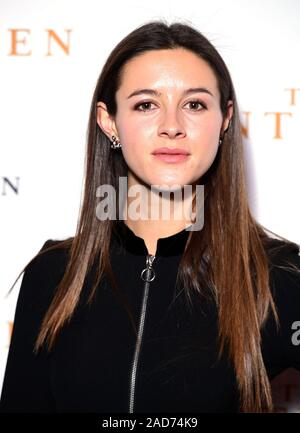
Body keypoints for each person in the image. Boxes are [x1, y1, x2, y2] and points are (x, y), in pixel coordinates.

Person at [1, 20, 300, 414]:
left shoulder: (277, 275)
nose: (172, 126)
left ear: (225, 120)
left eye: (194, 104)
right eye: (146, 104)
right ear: (109, 121)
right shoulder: (53, 274)